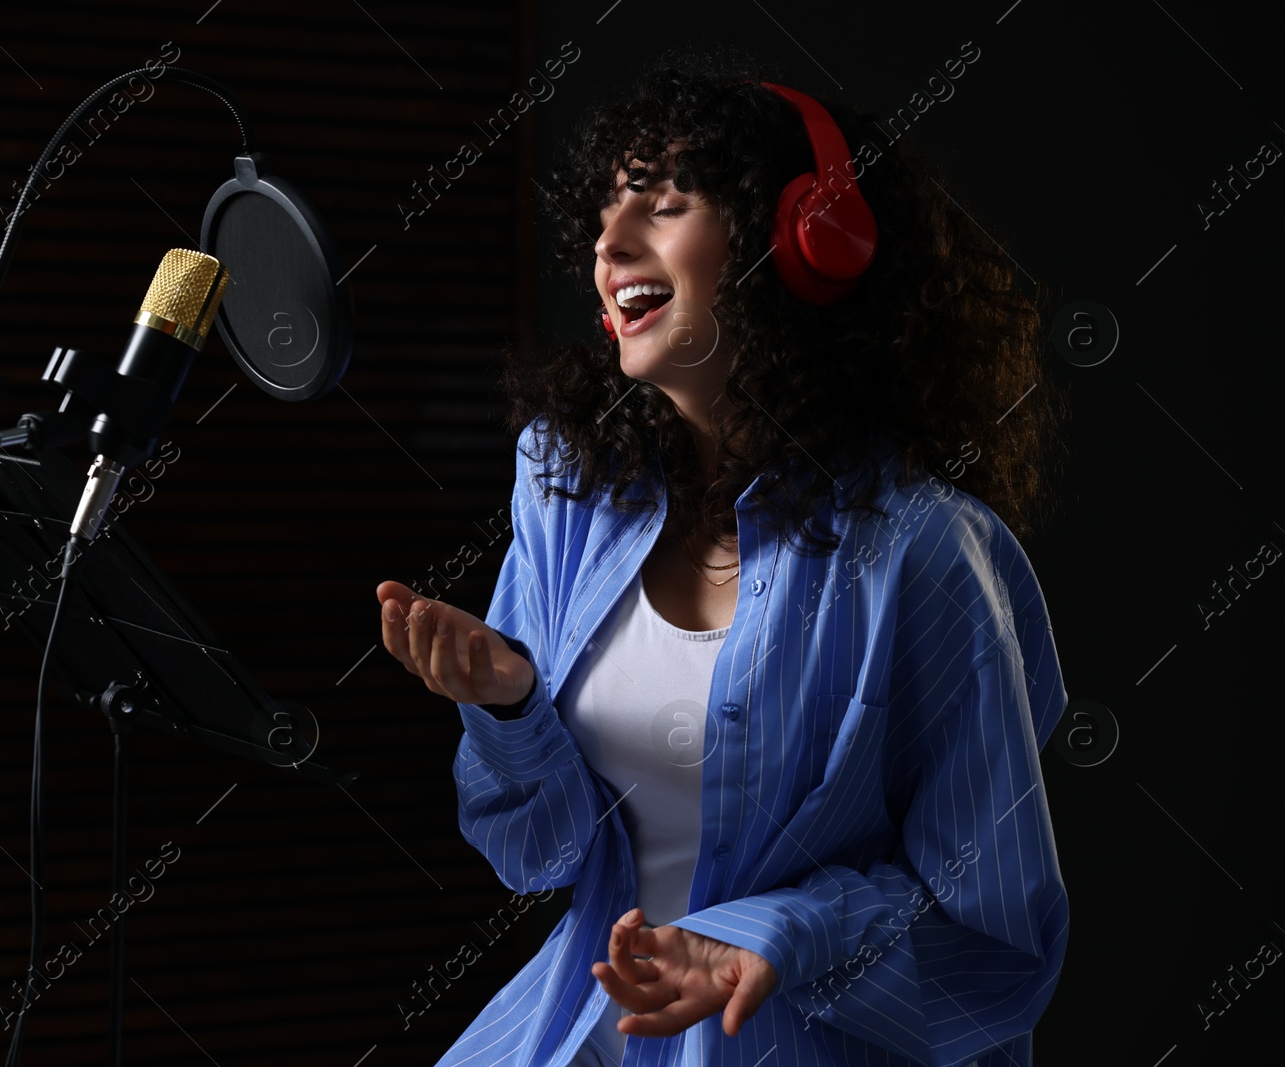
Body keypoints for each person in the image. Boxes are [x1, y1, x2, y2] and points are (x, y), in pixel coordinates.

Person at [376, 47, 1071, 1067]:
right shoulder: (566, 489)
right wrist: (513, 705)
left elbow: (996, 937)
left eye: (659, 204)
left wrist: (768, 938)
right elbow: (536, 854)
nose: (608, 245)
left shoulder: (929, 554)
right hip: (588, 1031)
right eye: (605, 212)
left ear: (807, 240)